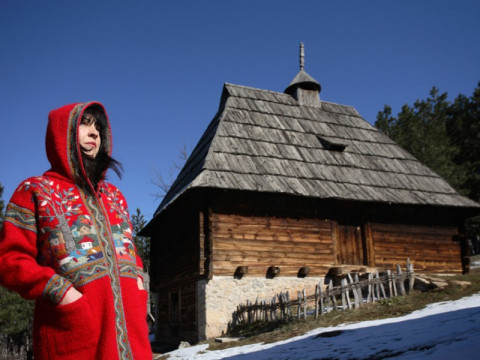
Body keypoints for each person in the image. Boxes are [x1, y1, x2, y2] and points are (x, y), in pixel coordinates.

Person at [0, 102, 152, 360]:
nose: (94, 133)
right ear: (63, 131)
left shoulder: (115, 196)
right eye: (85, 123)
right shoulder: (35, 190)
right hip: (73, 335)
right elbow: (10, 259)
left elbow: (129, 250)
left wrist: (138, 283)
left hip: (132, 334)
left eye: (98, 128)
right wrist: (59, 291)